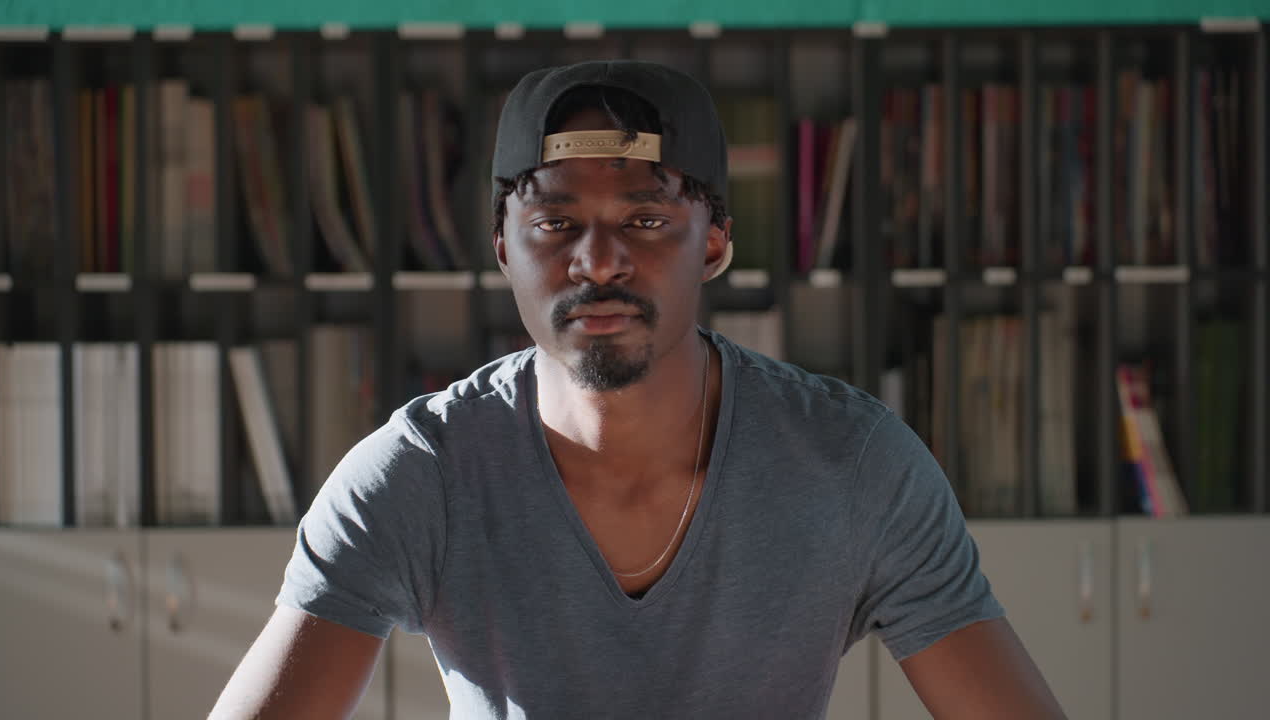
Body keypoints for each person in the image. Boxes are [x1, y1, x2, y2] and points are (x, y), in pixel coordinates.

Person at [211, 60, 1066, 719]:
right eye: (554, 223)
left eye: (646, 219)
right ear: (505, 249)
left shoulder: (856, 466)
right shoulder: (417, 474)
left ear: (717, 243)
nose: (598, 260)